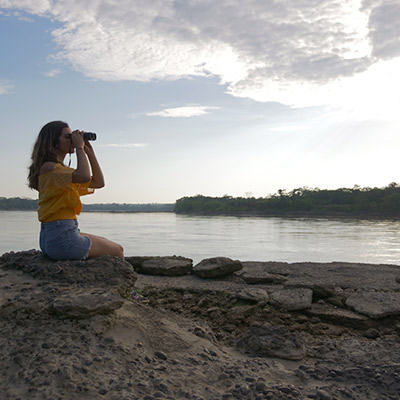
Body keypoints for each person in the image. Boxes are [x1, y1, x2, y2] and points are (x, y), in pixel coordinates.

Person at [28, 120, 124, 260]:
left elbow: (98, 183)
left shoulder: (61, 172)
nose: (73, 140)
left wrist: (89, 153)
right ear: (53, 142)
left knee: (105, 242)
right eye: (68, 137)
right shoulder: (50, 168)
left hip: (56, 237)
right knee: (117, 250)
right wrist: (79, 148)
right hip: (63, 240)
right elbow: (84, 176)